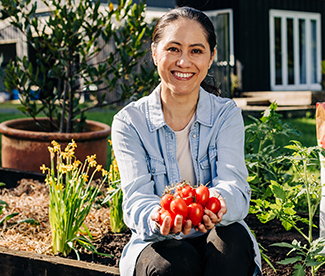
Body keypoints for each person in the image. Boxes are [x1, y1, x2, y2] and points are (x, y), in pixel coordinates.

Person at [111, 6, 261, 276]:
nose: (184, 62)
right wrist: (160, 218)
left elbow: (235, 188)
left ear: (211, 57)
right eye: (173, 49)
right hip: (159, 240)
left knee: (232, 243)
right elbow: (136, 200)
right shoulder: (129, 122)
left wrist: (214, 205)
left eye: (196, 50)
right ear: (155, 53)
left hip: (217, 231)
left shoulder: (225, 115)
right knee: (172, 264)